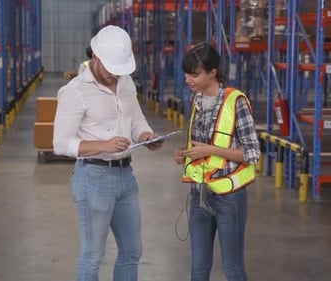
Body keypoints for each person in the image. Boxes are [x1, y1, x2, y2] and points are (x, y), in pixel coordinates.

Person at [53, 25, 163, 281]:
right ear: (96, 58)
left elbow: (136, 121)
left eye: (120, 70)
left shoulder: (126, 83)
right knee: (93, 256)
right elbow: (60, 143)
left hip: (126, 177)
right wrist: (104, 145)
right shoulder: (75, 91)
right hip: (94, 178)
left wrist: (147, 137)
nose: (116, 75)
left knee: (132, 251)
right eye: (112, 69)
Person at [173, 42, 260, 281]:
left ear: (212, 72)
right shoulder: (197, 101)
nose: (188, 79)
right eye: (187, 73)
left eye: (195, 74)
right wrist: (184, 153)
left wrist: (211, 150)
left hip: (228, 198)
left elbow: (252, 153)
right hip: (199, 193)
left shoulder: (235, 102)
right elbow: (199, 147)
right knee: (198, 269)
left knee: (232, 269)